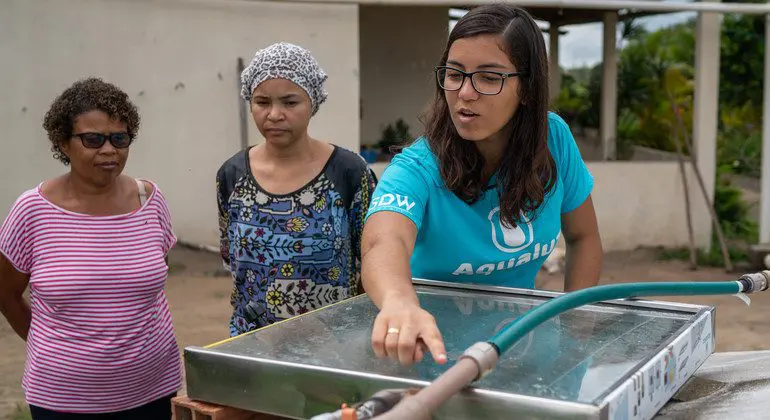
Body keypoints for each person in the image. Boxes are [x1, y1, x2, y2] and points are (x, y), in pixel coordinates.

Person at [361, 4, 603, 367]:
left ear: (527, 88)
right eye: (454, 74)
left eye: (489, 78)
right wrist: (398, 301)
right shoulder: (419, 166)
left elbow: (584, 238)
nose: (465, 93)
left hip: (520, 347)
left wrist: (574, 329)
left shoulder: (554, 140)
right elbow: (384, 241)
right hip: (430, 352)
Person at [0, 78, 181, 418]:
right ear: (63, 143)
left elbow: (153, 281)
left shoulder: (150, 201)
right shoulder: (31, 211)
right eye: (93, 139)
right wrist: (53, 348)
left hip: (152, 388)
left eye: (119, 138)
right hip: (63, 399)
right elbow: (6, 295)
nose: (109, 150)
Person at [216, 42, 377, 337]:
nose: (275, 114)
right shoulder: (232, 175)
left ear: (312, 102)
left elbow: (375, 260)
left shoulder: (349, 173)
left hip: (333, 346)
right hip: (253, 346)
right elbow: (231, 257)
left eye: (290, 102)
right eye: (262, 102)